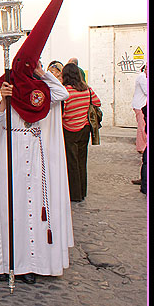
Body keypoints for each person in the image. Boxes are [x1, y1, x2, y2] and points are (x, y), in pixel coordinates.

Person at [0, 0, 79, 285]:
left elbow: (62, 94)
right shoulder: (0, 91)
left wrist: (43, 72)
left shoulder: (42, 90)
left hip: (37, 155)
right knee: (13, 208)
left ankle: (34, 263)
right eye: (28, 67)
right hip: (11, 157)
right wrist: (4, 98)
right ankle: (9, 261)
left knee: (36, 208)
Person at [61, 62, 101, 202]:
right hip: (85, 128)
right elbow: (97, 102)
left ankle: (75, 194)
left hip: (69, 130)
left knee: (72, 162)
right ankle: (83, 191)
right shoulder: (87, 89)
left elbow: (63, 113)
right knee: (82, 161)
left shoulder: (66, 92)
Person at [132, 64, 147, 154]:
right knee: (142, 126)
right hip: (140, 105)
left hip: (142, 105)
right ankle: (141, 147)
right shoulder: (142, 77)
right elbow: (146, 90)